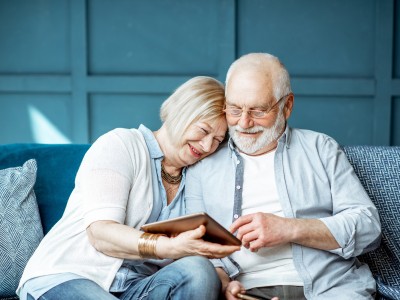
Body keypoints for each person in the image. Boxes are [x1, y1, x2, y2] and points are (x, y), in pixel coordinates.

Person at [17, 76, 241, 300]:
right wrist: (168, 247)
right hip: (69, 275)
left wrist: (224, 283)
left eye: (217, 140)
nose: (207, 146)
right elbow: (100, 233)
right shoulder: (121, 144)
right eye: (203, 130)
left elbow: (204, 253)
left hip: (136, 288)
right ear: (180, 112)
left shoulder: (195, 178)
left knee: (199, 270)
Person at [185, 53, 381, 300]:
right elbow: (198, 246)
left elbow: (368, 227)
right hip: (248, 293)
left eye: (258, 110)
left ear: (287, 106)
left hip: (330, 289)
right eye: (235, 109)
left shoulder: (321, 148)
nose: (244, 123)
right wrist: (224, 283)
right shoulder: (202, 166)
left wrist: (289, 228)